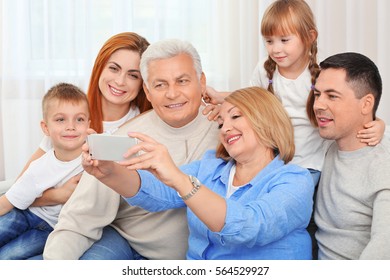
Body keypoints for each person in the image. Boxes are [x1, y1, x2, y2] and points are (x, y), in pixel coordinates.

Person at [204, 0, 385, 259]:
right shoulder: (266, 72)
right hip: (277, 161)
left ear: (310, 37)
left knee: (299, 219)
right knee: (255, 206)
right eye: (269, 41)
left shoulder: (319, 75)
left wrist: (379, 124)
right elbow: (251, 99)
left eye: (284, 40)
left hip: (308, 165)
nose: (275, 49)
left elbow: (358, 109)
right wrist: (223, 97)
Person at [81, 86, 315, 259]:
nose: (226, 128)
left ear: (268, 119)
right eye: (221, 123)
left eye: (235, 116)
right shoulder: (211, 166)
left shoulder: (295, 180)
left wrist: (181, 181)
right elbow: (156, 192)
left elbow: (249, 226)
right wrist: (108, 170)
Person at [43, 39, 220, 260]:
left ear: (201, 82)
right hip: (124, 243)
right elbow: (79, 218)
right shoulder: (124, 139)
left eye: (182, 81)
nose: (172, 93)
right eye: (160, 85)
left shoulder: (228, 130)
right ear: (147, 90)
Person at [14, 32, 152, 208]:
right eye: (114, 68)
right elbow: (19, 189)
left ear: (143, 83)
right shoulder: (72, 114)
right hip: (38, 213)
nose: (120, 81)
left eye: (133, 75)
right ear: (100, 67)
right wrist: (58, 196)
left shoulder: (142, 126)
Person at [310, 52, 390, 259]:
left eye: (332, 96)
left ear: (366, 104)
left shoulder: (383, 163)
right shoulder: (321, 143)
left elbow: (383, 247)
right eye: (317, 94)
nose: (318, 105)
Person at [0, 83, 90, 259]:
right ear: (46, 128)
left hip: (51, 228)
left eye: (79, 119)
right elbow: (7, 201)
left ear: (89, 124)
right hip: (25, 214)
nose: (70, 126)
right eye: (60, 119)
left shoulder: (92, 161)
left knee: (8, 257)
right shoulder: (39, 167)